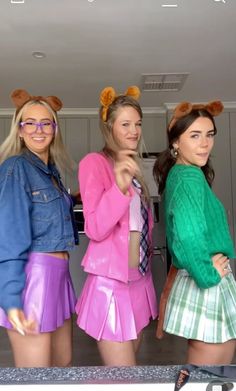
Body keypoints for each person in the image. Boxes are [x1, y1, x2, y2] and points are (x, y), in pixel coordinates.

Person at [75, 86, 158, 366]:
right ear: (109, 128)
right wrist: (120, 187)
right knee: (123, 376)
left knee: (127, 373)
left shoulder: (135, 167)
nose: (134, 131)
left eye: (137, 124)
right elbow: (96, 229)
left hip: (139, 280)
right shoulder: (94, 163)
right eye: (125, 124)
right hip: (111, 286)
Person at [153, 100, 236, 365]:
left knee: (212, 375)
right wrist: (208, 273)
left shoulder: (185, 173)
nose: (205, 143)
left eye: (209, 135)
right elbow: (189, 235)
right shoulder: (188, 177)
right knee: (209, 380)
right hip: (206, 278)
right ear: (176, 142)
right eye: (195, 135)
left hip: (204, 276)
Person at [0, 89, 79, 367]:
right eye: (29, 123)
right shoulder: (15, 168)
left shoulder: (52, 172)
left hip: (59, 277)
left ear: (54, 129)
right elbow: (9, 237)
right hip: (34, 277)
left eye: (46, 122)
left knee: (62, 366)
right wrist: (10, 297)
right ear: (19, 130)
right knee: (36, 377)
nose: (38, 129)